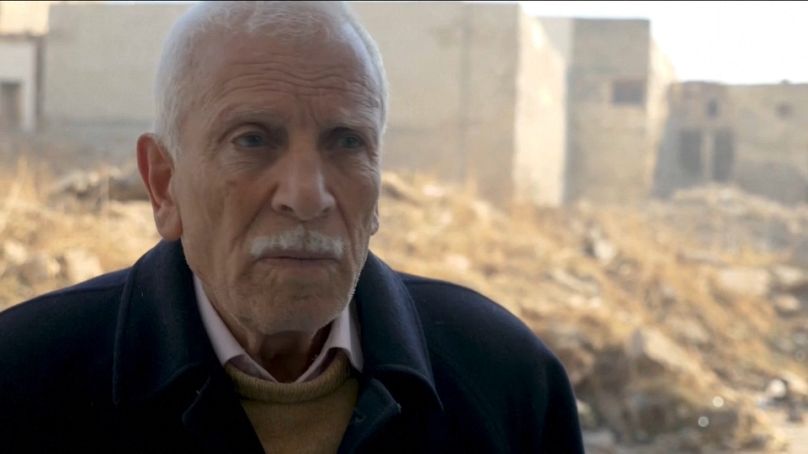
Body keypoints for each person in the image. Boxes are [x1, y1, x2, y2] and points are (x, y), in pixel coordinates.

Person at [0, 2, 583, 452]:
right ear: (164, 183)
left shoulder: (507, 382)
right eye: (252, 140)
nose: (307, 196)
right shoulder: (24, 382)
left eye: (346, 142)